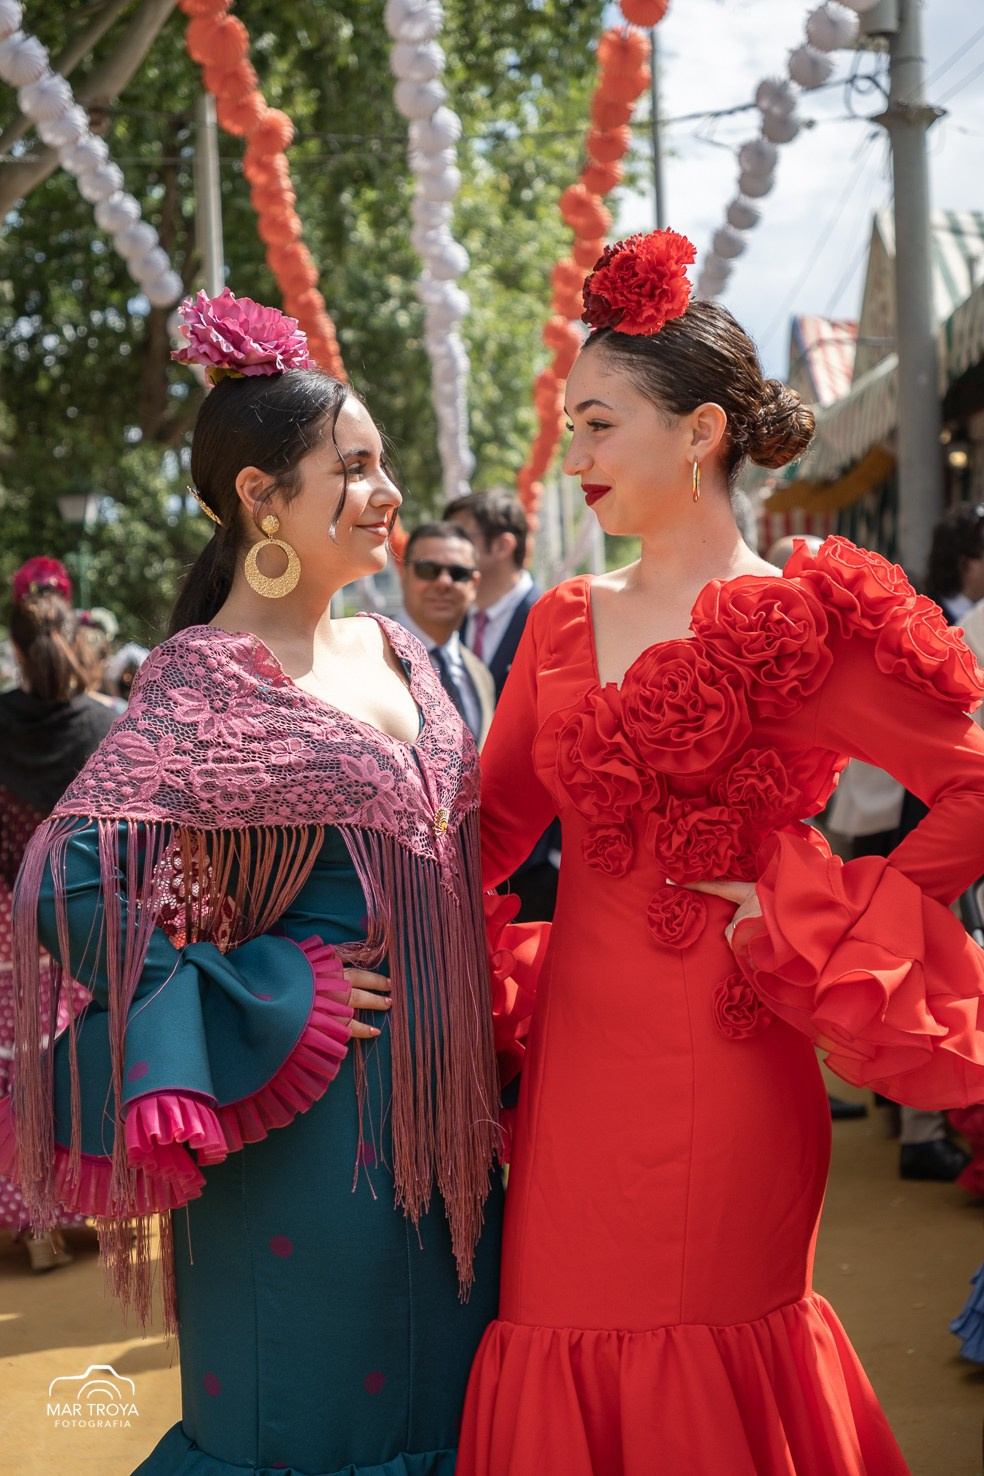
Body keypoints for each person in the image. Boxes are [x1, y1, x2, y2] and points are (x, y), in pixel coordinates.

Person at [456, 230, 984, 1476]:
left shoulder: (803, 624)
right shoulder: (561, 621)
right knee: (555, 1332)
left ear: (699, 432)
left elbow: (973, 783)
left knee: (709, 1350)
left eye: (598, 427)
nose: (574, 458)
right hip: (577, 1077)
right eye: (570, 429)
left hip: (733, 1066)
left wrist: (812, 915)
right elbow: (488, 832)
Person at [1, 290, 502, 1474]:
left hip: (457, 1129)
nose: (389, 493)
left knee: (448, 1407)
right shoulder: (205, 682)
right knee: (315, 1425)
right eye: (356, 468)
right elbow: (62, 882)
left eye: (383, 465)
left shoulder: (402, 650)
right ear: (261, 498)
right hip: (307, 1122)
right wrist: (267, 991)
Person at [0, 558, 115, 1269]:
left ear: (15, 645)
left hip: (5, 924)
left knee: (12, 1062)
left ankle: (31, 1222)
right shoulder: (103, 724)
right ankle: (77, 1202)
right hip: (77, 915)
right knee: (73, 1059)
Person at [443, 490, 561, 921]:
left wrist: (558, 856)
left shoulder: (557, 621)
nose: (447, 548)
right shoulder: (446, 624)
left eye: (461, 536)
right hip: (471, 859)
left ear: (502, 545)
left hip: (542, 866)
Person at [397, 520, 496, 746]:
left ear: (474, 584)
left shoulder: (481, 675)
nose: (443, 582)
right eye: (427, 570)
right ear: (404, 574)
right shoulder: (368, 654)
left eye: (458, 573)